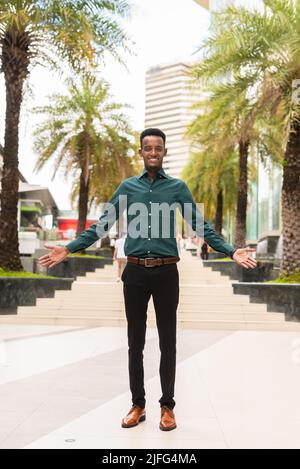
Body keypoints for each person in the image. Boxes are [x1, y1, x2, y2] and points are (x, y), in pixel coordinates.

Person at [39, 128, 257, 432]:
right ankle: (137, 404)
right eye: (148, 148)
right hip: (136, 273)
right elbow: (101, 226)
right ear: (140, 153)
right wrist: (69, 248)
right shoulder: (127, 188)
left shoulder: (177, 188)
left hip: (167, 272)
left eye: (158, 148)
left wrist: (231, 251)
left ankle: (167, 406)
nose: (153, 152)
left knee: (169, 342)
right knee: (135, 343)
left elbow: (201, 226)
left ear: (164, 152)